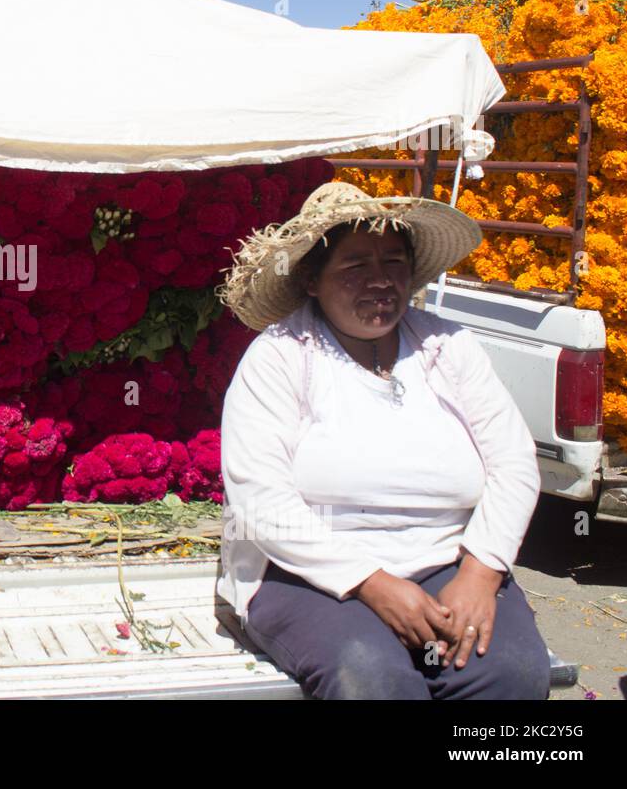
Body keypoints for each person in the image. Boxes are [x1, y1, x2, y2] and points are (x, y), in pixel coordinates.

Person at [213, 181, 550, 699]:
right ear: (311, 280)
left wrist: (481, 572)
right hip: (306, 576)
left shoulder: (448, 346)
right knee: (373, 676)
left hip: (448, 564)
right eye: (354, 267)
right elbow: (261, 500)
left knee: (509, 675)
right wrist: (371, 582)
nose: (381, 282)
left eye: (394, 263)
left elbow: (514, 463)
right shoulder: (279, 357)